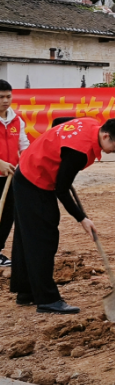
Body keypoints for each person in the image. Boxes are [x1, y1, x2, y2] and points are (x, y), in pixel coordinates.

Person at [10, 116, 115, 314]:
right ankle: (47, 300)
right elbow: (61, 189)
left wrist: (58, 149)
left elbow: (59, 120)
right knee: (43, 239)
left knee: (27, 237)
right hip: (34, 180)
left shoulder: (91, 123)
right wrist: (81, 218)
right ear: (106, 135)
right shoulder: (79, 152)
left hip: (27, 170)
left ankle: (26, 292)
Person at [0, 80, 29, 269]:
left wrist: (25, 161)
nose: (5, 101)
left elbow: (24, 145)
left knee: (7, 214)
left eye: (8, 96)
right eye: (1, 97)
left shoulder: (16, 120)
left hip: (10, 178)